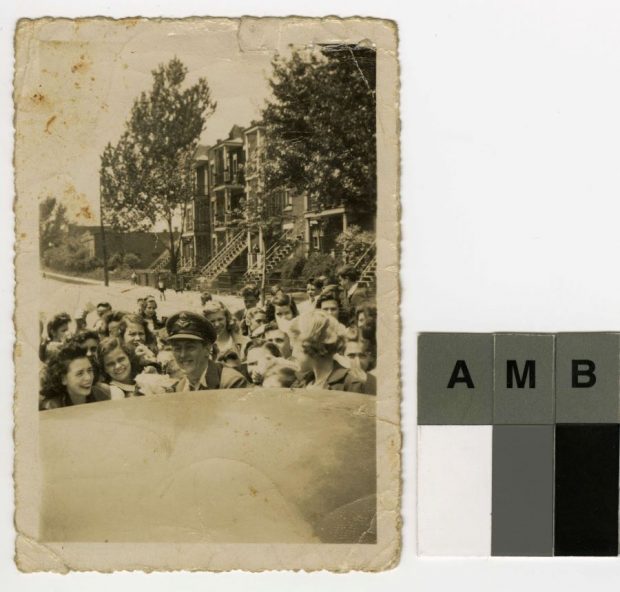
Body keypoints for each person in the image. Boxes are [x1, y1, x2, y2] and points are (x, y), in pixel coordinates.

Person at [165, 311, 248, 391]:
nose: (182, 355)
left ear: (207, 349)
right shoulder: (180, 387)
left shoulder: (231, 382)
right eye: (177, 348)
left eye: (190, 347)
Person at [288, 311, 366, 393]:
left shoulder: (351, 384)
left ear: (310, 346)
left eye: (294, 347)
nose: (293, 354)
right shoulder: (300, 383)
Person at [39, 342, 111, 410]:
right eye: (80, 373)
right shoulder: (51, 408)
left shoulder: (102, 395)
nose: (88, 377)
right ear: (63, 379)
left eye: (89, 370)